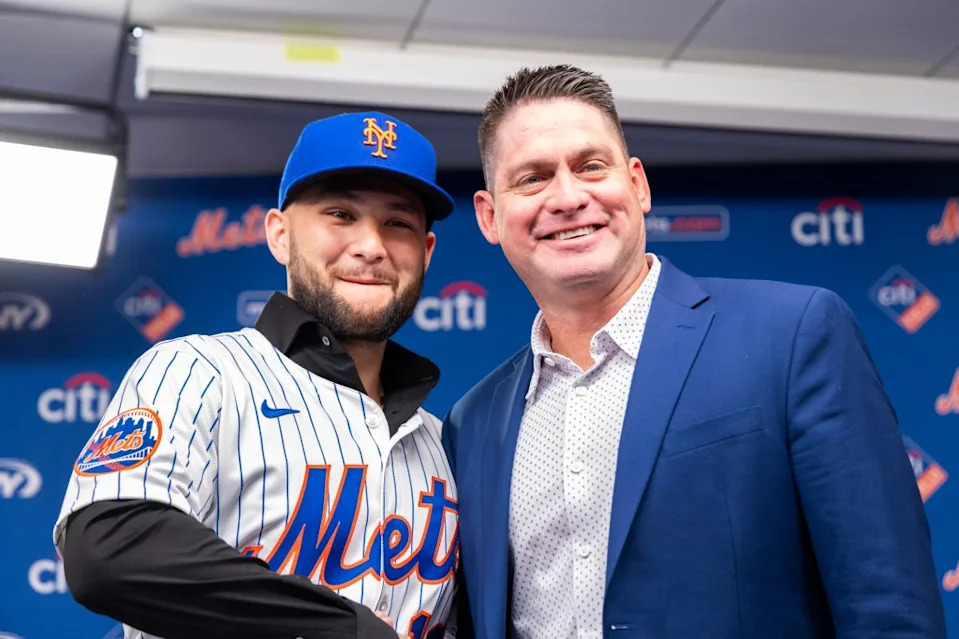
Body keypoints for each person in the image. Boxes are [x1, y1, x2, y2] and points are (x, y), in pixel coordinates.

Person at [442, 65, 946, 639]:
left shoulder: (791, 336)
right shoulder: (473, 422)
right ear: (489, 216)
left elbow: (887, 607)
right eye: (532, 178)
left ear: (638, 185)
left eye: (590, 166)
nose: (568, 196)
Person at [54, 111, 459, 639]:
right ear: (280, 236)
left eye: (398, 223)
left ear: (424, 252)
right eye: (340, 214)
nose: (370, 246)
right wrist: (339, 628)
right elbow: (110, 545)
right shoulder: (199, 372)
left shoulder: (439, 443)